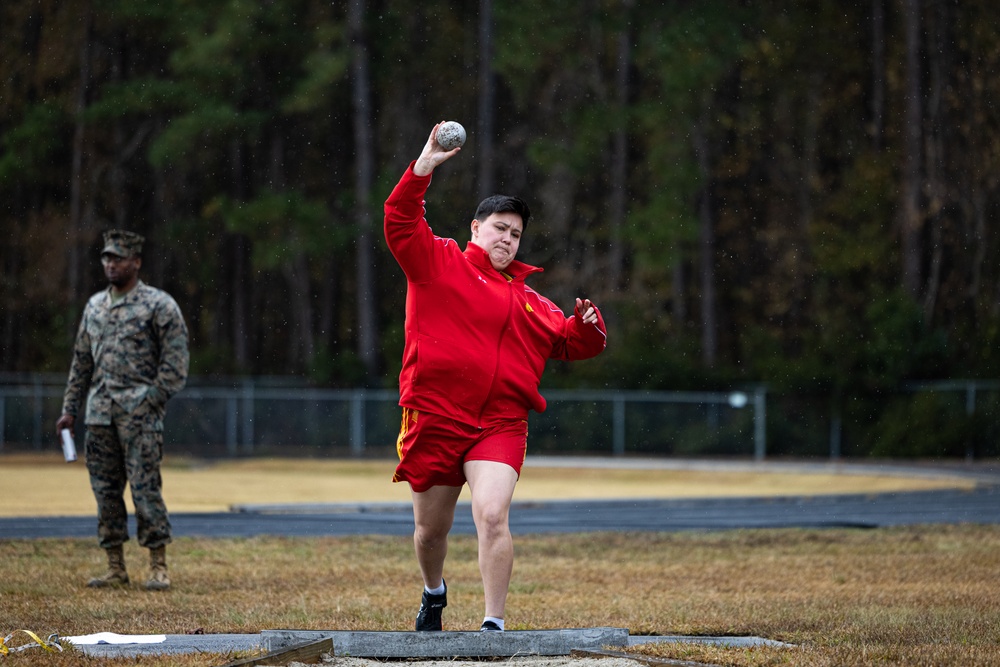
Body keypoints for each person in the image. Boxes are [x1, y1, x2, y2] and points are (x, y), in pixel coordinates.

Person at [383, 123, 608, 632]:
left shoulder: (530, 299)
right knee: (429, 532)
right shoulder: (438, 263)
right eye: (499, 228)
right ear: (475, 229)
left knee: (491, 515)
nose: (507, 238)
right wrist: (424, 166)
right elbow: (398, 220)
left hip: (500, 423)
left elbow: (572, 343)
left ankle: (493, 626)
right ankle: (433, 592)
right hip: (437, 415)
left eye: (515, 233)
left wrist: (589, 329)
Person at [56, 229, 190, 591]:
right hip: (99, 415)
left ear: (136, 261)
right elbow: (81, 362)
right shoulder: (95, 307)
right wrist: (70, 409)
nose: (110, 264)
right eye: (106, 258)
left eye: (117, 258)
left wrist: (152, 400)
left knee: (146, 490)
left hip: (140, 415)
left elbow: (176, 362)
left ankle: (157, 565)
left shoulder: (159, 305)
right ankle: (115, 566)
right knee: (105, 492)